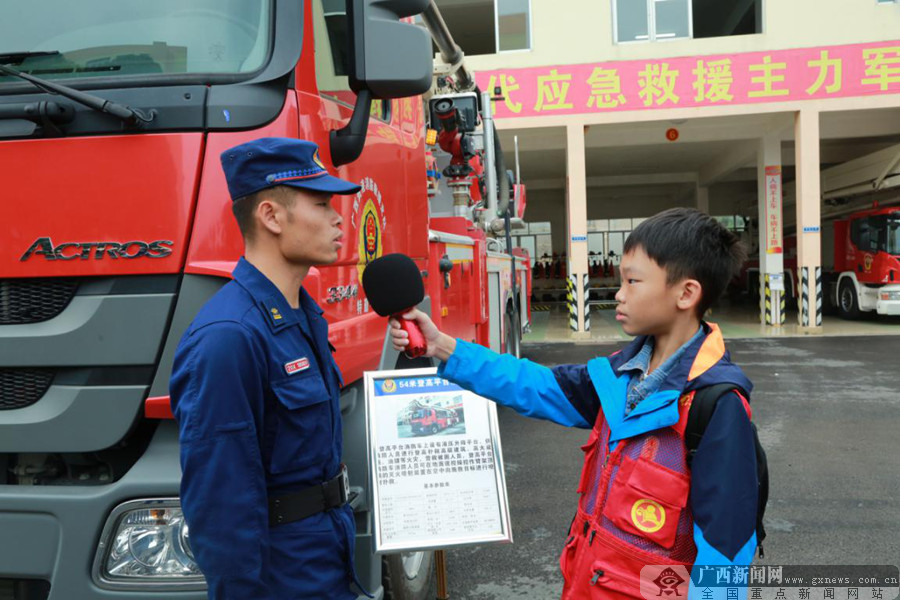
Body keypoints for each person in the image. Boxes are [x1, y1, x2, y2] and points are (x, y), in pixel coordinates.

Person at [390, 208, 758, 599]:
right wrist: (443, 346)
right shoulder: (617, 376)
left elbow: (725, 554)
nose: (619, 293)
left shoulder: (716, 406)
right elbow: (537, 385)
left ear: (686, 293)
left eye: (633, 282)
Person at [170, 137, 367, 600]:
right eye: (321, 204)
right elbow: (221, 503)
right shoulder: (229, 336)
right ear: (271, 216)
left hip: (324, 557)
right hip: (280, 577)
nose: (339, 218)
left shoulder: (301, 313)